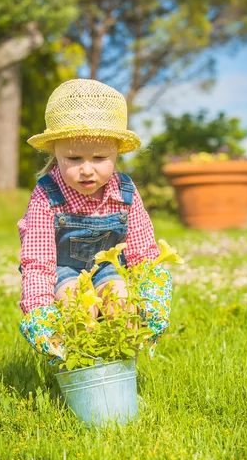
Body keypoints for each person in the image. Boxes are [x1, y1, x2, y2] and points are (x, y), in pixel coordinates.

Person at [18, 78, 172, 361]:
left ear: (116, 152)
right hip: (63, 272)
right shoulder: (46, 195)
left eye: (100, 157)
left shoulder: (124, 192)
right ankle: (80, 365)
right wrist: (39, 311)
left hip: (107, 269)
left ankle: (118, 366)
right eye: (74, 158)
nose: (86, 170)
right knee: (79, 306)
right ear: (55, 151)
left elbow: (142, 252)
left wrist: (153, 296)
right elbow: (38, 262)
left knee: (121, 303)